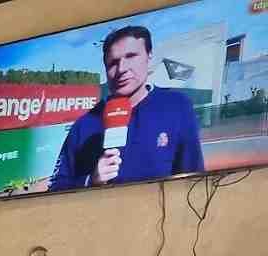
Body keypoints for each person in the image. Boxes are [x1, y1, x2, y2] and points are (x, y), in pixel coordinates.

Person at [49, 24, 205, 191]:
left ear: (149, 56)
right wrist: (90, 181)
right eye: (113, 63)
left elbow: (194, 178)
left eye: (131, 56)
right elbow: (56, 187)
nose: (122, 69)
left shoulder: (177, 106)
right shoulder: (84, 125)